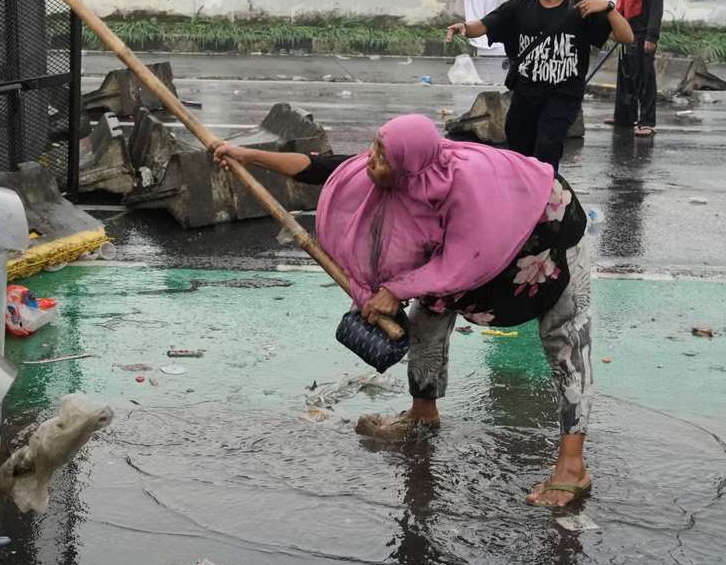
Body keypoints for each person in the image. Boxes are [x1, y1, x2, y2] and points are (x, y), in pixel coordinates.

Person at [213, 115, 595, 508]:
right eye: (375, 147)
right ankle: (422, 413)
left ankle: (572, 467)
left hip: (543, 231)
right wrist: (247, 155)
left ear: (408, 168)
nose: (370, 159)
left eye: (381, 155)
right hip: (460, 251)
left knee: (564, 340)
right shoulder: (403, 167)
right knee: (427, 319)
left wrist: (396, 290)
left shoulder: (464, 187)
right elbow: (319, 168)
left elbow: (466, 259)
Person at [445, 0, 634, 168]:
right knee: (519, 153)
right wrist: (465, 27)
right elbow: (483, 25)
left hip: (563, 96)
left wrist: (609, 8)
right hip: (525, 95)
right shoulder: (518, 8)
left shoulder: (581, 11)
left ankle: (545, 187)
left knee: (547, 148)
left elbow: (626, 37)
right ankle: (527, 187)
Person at [608, 0, 664, 137]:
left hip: (642, 34)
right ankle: (624, 116)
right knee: (626, 76)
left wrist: (651, 36)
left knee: (645, 78)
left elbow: (656, 7)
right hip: (627, 32)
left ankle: (647, 121)